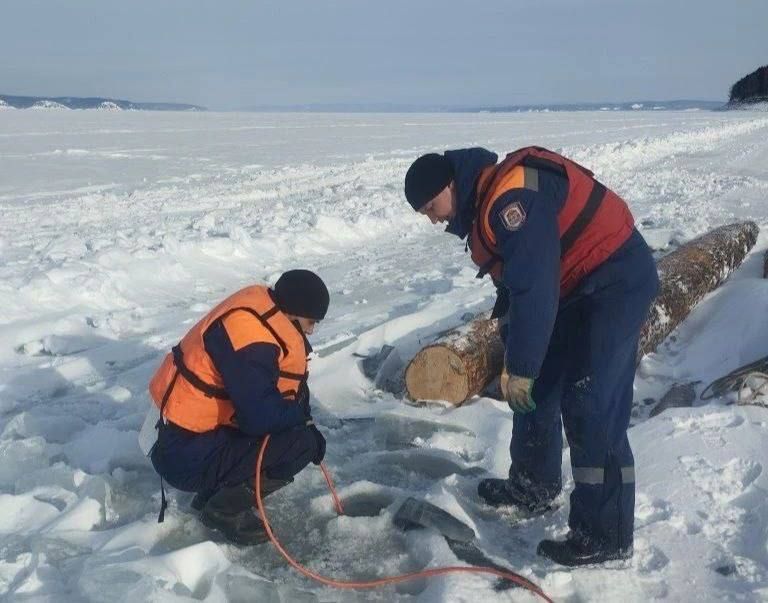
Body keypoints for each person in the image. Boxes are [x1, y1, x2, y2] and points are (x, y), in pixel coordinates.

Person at [403, 146, 659, 566]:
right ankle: (533, 487)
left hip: (615, 280)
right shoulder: (486, 200)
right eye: (424, 214)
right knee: (537, 385)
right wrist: (517, 351)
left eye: (431, 207)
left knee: (591, 402)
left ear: (451, 185)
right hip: (574, 285)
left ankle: (606, 535)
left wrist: (520, 366)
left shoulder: (510, 200)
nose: (433, 219)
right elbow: (518, 280)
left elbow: (536, 286)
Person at [145, 269, 329, 545]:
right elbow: (260, 418)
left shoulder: (259, 318)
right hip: (182, 456)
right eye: (311, 321)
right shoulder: (250, 339)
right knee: (301, 444)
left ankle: (211, 497)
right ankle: (224, 511)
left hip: (187, 438)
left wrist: (298, 411)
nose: (312, 330)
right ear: (292, 311)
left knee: (291, 432)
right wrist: (302, 420)